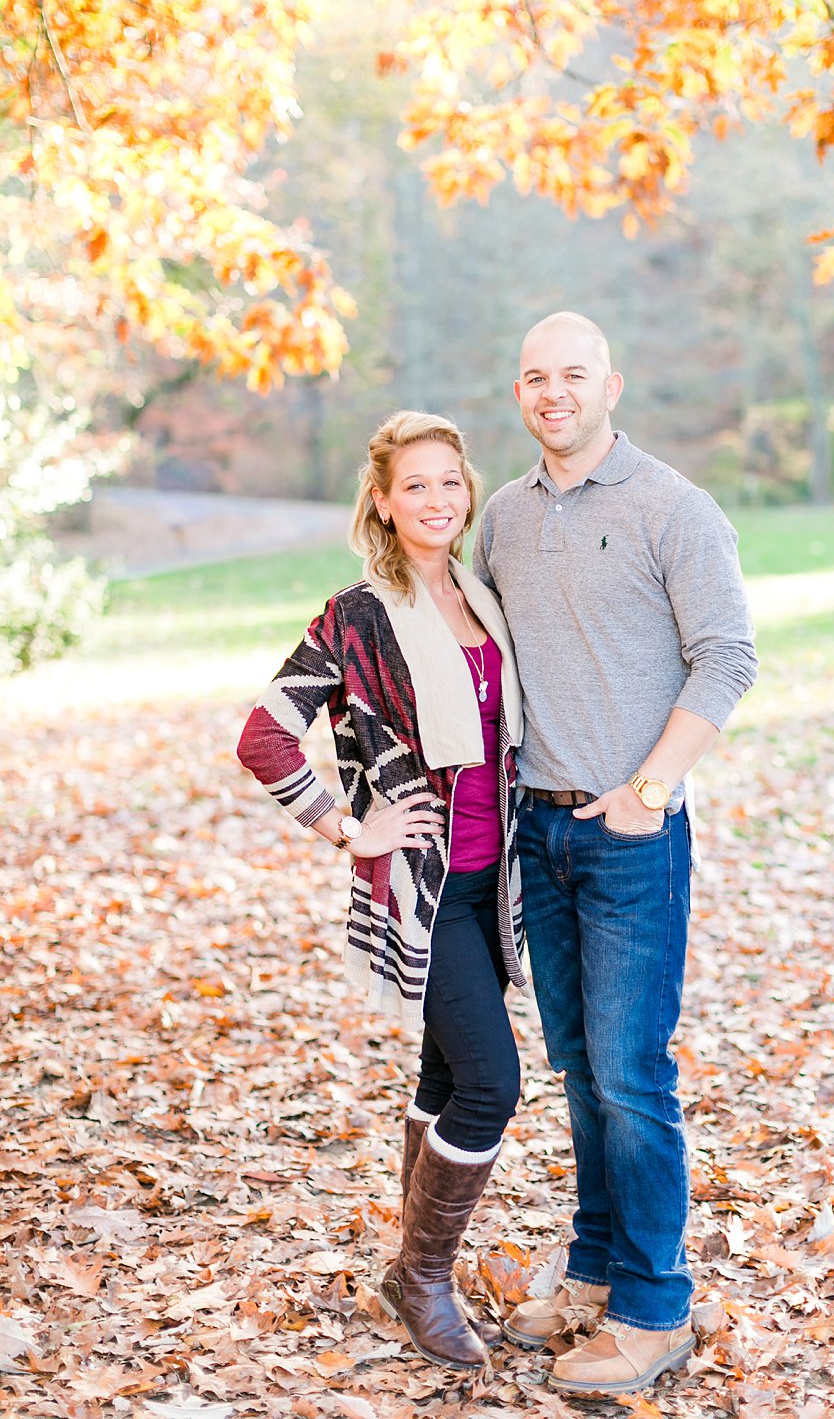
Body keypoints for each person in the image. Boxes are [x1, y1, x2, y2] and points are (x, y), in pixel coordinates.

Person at [473, 311, 758, 1398]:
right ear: (520, 393)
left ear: (612, 386)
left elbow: (727, 659)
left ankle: (652, 1308)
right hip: (534, 831)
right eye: (536, 376)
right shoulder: (500, 519)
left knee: (633, 1075)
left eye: (574, 375)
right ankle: (592, 1273)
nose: (555, 393)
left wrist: (650, 791)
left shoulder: (673, 509)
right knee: (580, 1068)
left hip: (631, 834)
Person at [237, 411, 526, 1370]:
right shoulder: (359, 614)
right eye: (416, 486)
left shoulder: (482, 598)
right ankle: (423, 1279)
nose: (437, 499)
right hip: (425, 883)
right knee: (492, 1083)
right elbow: (265, 735)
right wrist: (350, 826)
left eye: (451, 481)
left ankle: (412, 1268)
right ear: (383, 502)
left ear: (468, 490)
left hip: (496, 878)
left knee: (445, 1077)